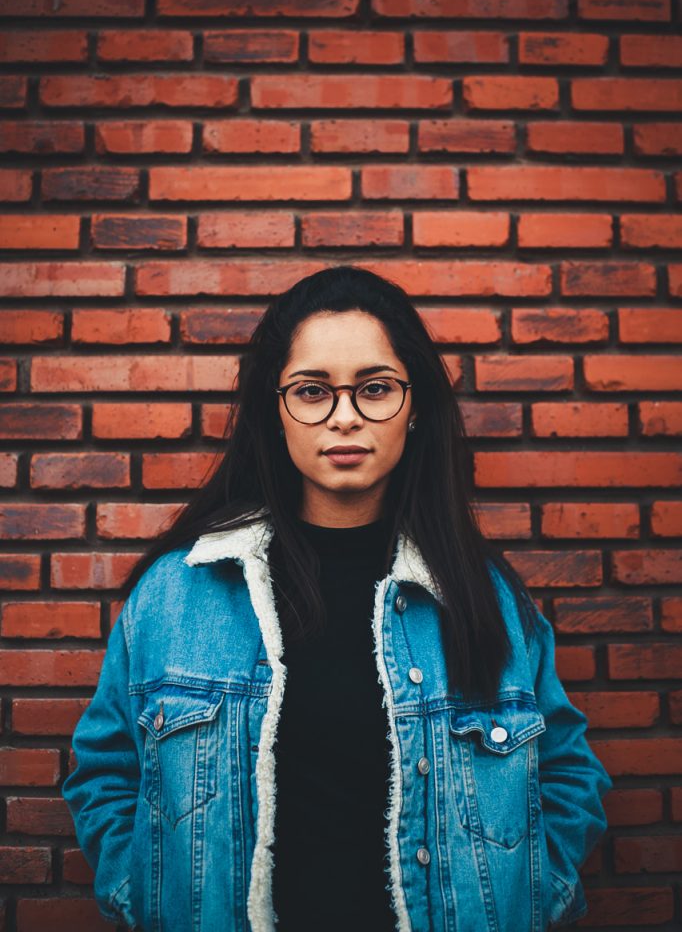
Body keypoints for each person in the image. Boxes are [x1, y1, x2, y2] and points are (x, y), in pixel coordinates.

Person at [62, 265, 612, 932]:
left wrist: (528, 900)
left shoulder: (486, 599)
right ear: (277, 410)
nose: (345, 416)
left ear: (414, 409)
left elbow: (566, 775)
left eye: (375, 389)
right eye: (313, 390)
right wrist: (149, 898)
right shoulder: (176, 597)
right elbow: (105, 773)